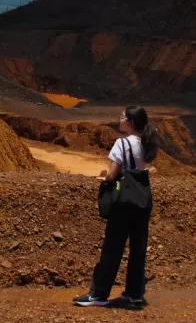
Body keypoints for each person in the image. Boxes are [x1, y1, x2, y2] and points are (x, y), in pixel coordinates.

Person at [74, 105, 159, 308]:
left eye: (122, 117)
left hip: (123, 201)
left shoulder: (122, 143)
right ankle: (135, 294)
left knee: (112, 248)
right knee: (138, 249)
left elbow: (113, 175)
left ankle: (98, 295)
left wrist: (103, 178)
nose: (119, 119)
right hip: (142, 200)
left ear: (130, 122)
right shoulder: (147, 143)